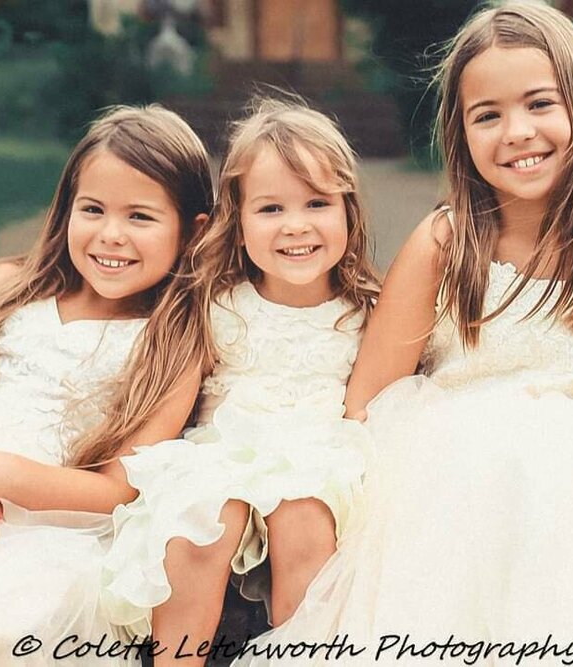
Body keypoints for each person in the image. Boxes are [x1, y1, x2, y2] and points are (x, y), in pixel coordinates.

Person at [237, 5, 573, 665]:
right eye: (487, 115)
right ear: (460, 133)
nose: (517, 132)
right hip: (452, 488)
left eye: (539, 104)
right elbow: (368, 400)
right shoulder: (444, 241)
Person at [101, 98, 380, 667]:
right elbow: (171, 410)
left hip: (321, 456)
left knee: (305, 516)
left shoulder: (367, 312)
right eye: (271, 208)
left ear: (349, 211)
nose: (296, 225)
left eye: (317, 203)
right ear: (239, 219)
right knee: (202, 518)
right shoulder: (217, 304)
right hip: (224, 452)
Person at [0, 105, 213, 666]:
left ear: (193, 230)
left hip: (46, 543)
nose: (110, 235)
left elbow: (119, 490)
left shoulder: (171, 344)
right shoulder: (3, 289)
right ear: (66, 208)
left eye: (140, 217)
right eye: (92, 209)